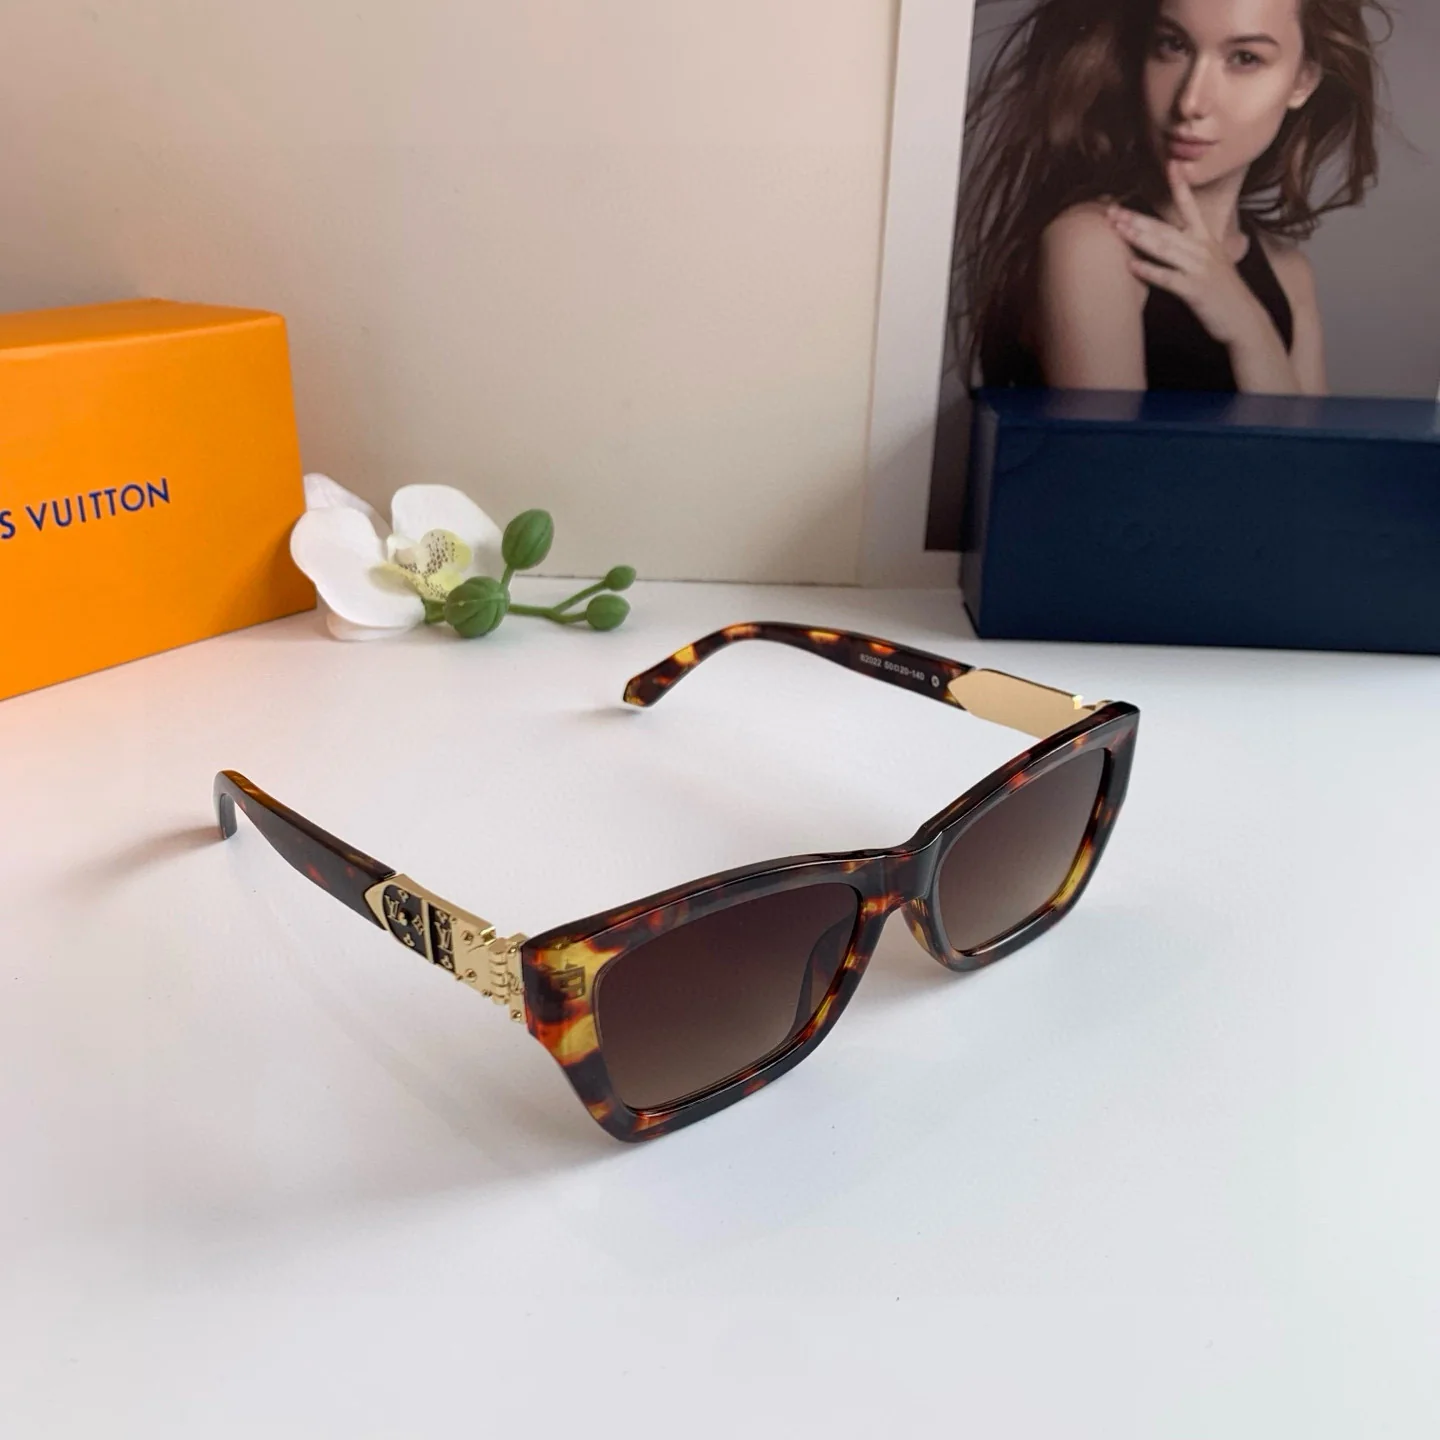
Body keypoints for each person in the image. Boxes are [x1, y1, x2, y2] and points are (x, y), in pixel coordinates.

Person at [954, 0, 1392, 394]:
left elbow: (1309, 458)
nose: (1191, 101)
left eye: (1245, 58)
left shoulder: (1290, 275)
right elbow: (1107, 457)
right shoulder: (1091, 245)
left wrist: (1250, 329)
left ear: (1303, 80)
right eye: (1173, 45)